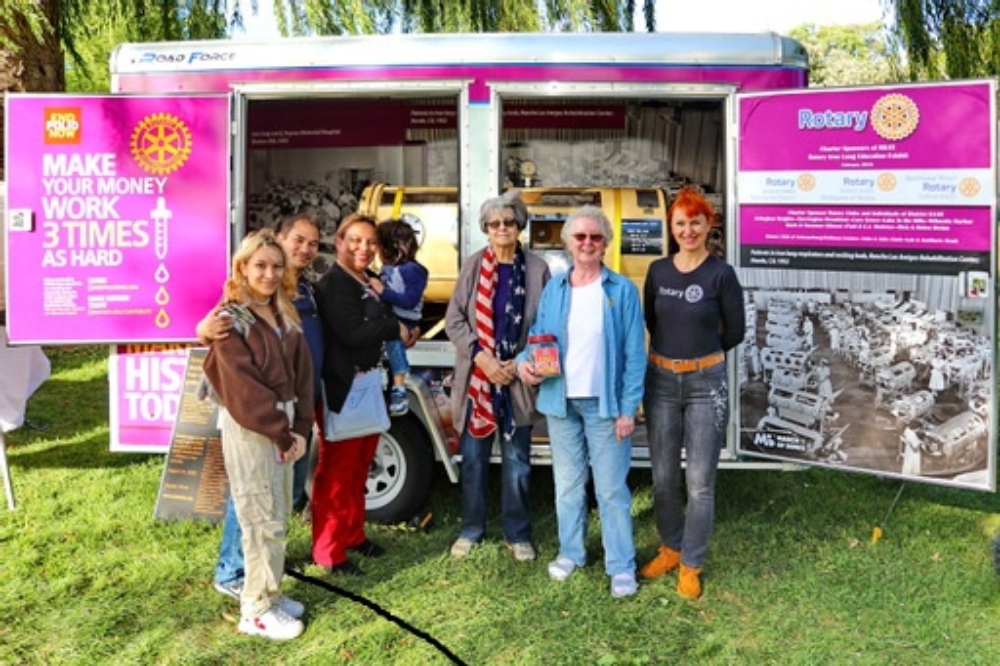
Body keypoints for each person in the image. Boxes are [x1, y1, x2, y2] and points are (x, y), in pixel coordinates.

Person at [516, 206, 646, 598]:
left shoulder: (621, 290)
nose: (587, 243)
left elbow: (635, 354)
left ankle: (621, 565)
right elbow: (538, 336)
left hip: (605, 406)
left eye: (595, 237)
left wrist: (629, 408)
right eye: (580, 236)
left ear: (605, 243)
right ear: (568, 242)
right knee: (568, 487)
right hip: (561, 403)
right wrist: (525, 363)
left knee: (610, 490)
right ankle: (572, 552)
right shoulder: (555, 288)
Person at [197, 212, 324, 605]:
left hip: (286, 422)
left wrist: (299, 427)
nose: (268, 273)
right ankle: (250, 597)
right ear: (243, 267)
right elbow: (242, 387)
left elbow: (301, 369)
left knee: (277, 511)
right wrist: (282, 431)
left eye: (275, 267)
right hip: (255, 426)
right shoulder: (233, 314)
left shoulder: (285, 307)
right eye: (260, 266)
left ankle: (270, 588)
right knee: (256, 511)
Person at [640, 186, 745, 600]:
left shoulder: (721, 274)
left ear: (708, 225)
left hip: (706, 385)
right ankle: (670, 546)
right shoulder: (658, 272)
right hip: (661, 381)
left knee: (700, 482)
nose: (688, 230)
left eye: (695, 223)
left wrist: (700, 359)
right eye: (680, 223)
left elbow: (733, 331)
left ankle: (691, 564)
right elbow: (653, 320)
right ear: (671, 227)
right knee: (664, 478)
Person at [444, 192, 550, 562]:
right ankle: (471, 529)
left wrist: (516, 362)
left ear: (520, 226)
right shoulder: (473, 266)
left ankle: (517, 533)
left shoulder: (538, 270)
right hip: (478, 381)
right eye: (494, 223)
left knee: (517, 461)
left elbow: (545, 326)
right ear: (486, 229)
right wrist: (483, 360)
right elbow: (454, 320)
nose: (502, 228)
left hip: (517, 380)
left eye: (509, 221)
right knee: (473, 459)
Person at [313, 213, 405, 576]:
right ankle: (328, 551)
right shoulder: (333, 283)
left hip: (367, 386)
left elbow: (372, 325)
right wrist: (390, 325)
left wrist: (380, 322)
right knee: (336, 473)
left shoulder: (366, 280)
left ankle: (353, 534)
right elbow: (353, 333)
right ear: (339, 242)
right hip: (343, 388)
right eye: (355, 240)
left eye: (370, 242)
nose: (363, 248)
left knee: (359, 467)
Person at [370, 218, 428, 417]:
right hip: (390, 318)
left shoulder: (413, 270)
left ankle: (400, 388)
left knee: (395, 343)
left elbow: (410, 300)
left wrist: (382, 291)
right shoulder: (389, 270)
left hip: (404, 320)